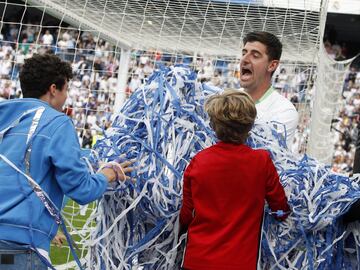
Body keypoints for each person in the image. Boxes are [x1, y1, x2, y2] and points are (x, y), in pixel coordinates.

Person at [0, 54, 133, 269]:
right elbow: (82, 190)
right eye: (66, 90)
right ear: (54, 89)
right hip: (20, 249)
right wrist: (107, 174)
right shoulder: (56, 122)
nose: (66, 98)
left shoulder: (6, 118)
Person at [179, 90, 290, 270]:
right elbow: (280, 208)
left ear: (214, 125)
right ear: (249, 125)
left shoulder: (198, 161)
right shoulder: (261, 161)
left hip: (197, 260)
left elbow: (186, 215)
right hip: (239, 263)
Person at [240, 31, 299, 146]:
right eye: (244, 53)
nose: (245, 59)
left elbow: (266, 156)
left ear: (272, 65)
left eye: (255, 55)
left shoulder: (284, 111)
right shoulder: (228, 99)